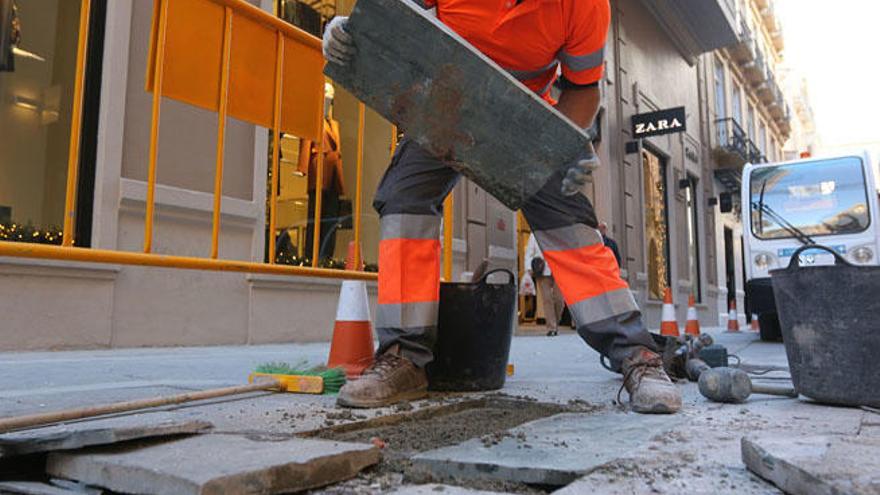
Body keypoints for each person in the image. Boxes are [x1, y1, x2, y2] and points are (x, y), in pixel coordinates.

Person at [323, 0, 681, 414]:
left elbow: (582, 88)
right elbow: (394, 18)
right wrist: (350, 33)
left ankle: (637, 355)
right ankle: (404, 360)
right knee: (405, 197)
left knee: (569, 222)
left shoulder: (584, 5)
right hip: (445, 104)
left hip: (524, 123)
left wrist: (567, 143)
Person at [299, 83, 346, 261]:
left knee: (332, 217)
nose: (327, 100)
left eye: (330, 98)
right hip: (318, 170)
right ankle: (312, 255)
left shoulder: (335, 124)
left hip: (334, 173)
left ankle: (327, 256)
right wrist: (302, 168)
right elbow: (306, 142)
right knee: (316, 216)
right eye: (325, 97)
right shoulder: (313, 120)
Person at [525, 232, 564, 337]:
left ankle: (555, 321)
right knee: (547, 299)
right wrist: (528, 269)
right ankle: (552, 327)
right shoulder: (534, 234)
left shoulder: (558, 232)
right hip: (542, 270)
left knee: (559, 299)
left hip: (559, 270)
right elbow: (529, 252)